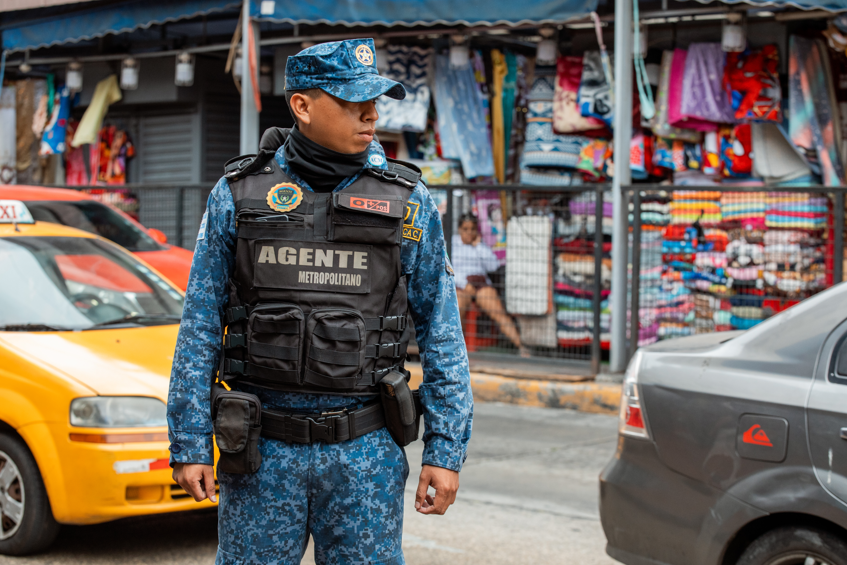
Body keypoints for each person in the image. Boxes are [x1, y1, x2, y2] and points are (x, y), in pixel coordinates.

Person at [167, 38, 473, 565]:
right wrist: (189, 441)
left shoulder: (406, 202)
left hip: (365, 454)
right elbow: (199, 325)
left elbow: (442, 331)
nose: (371, 114)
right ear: (302, 106)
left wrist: (446, 449)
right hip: (261, 452)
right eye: (353, 101)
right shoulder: (238, 194)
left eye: (375, 100)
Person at [452, 212, 529, 357]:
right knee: (457, 308)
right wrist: (463, 283)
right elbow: (447, 268)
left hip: (480, 282)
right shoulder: (452, 243)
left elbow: (493, 266)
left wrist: (479, 246)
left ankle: (521, 347)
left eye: (472, 229)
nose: (469, 233)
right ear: (459, 230)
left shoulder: (480, 244)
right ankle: (455, 349)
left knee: (498, 312)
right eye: (465, 229)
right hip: (460, 283)